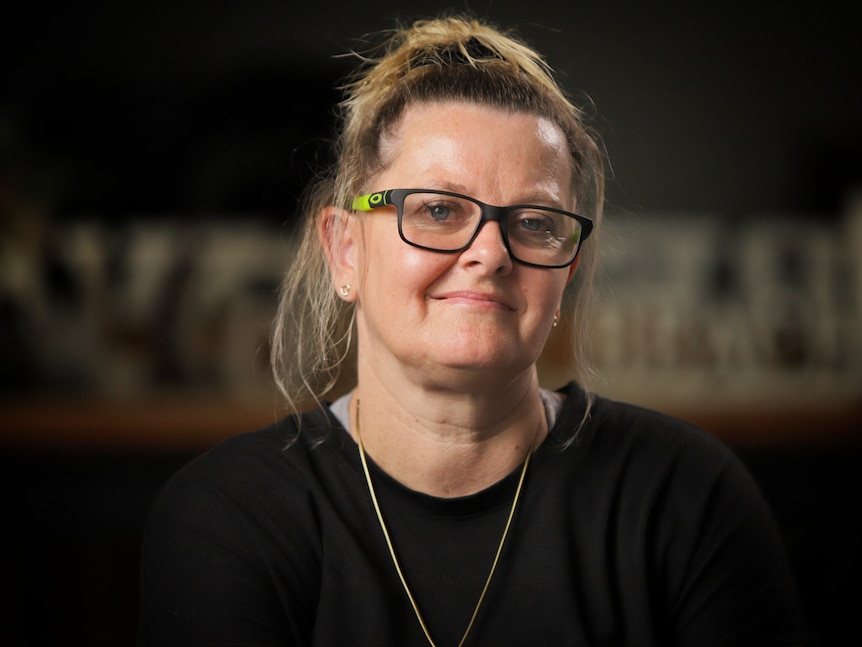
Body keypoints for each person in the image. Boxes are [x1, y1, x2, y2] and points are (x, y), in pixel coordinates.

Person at [138, 15, 812, 646]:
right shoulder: (227, 519)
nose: (490, 251)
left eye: (535, 222)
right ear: (344, 249)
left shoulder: (687, 496)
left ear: (565, 272)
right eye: (436, 209)